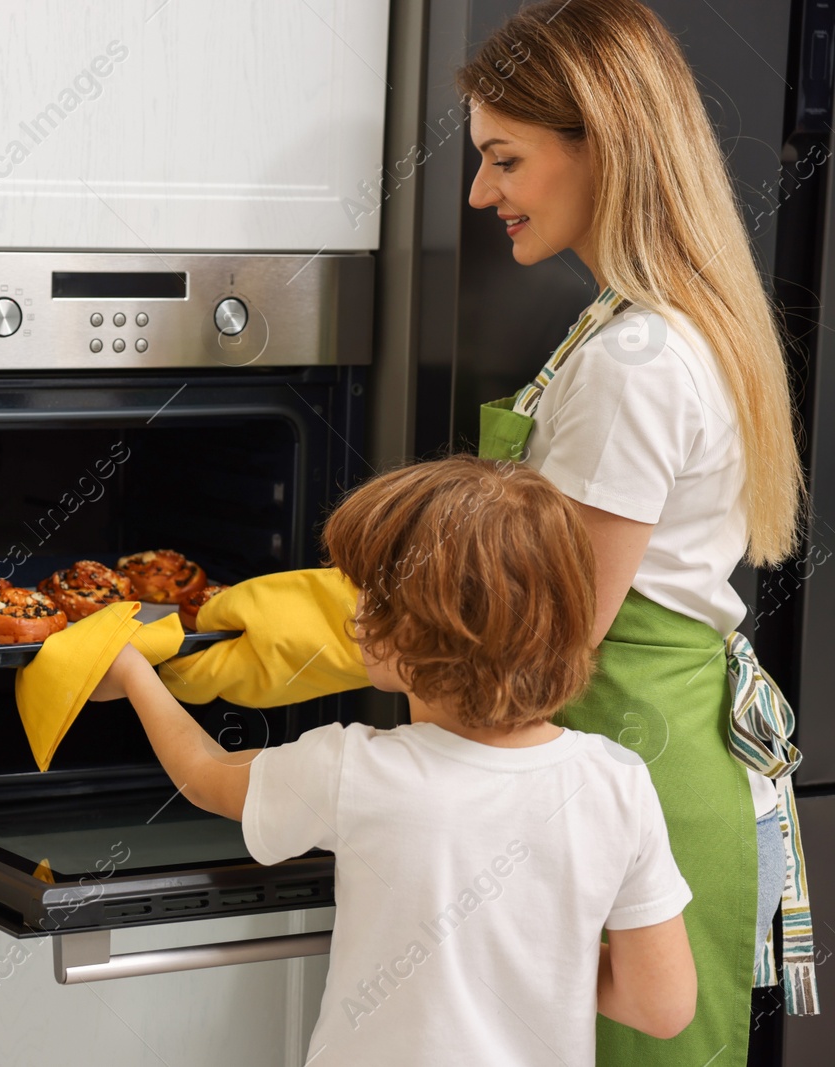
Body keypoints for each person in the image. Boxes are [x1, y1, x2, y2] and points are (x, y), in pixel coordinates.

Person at [461, 1, 815, 1061]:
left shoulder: (632, 365)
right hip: (644, 765)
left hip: (633, 784)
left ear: (599, 145)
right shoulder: (624, 326)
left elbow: (550, 638)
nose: (482, 191)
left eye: (503, 159)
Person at [96, 456, 697, 1066]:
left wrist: (135, 673)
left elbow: (204, 776)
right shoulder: (617, 780)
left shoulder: (352, 770)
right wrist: (539, 949)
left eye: (364, 595)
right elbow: (662, 1006)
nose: (353, 614)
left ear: (403, 633)